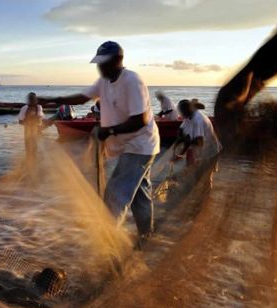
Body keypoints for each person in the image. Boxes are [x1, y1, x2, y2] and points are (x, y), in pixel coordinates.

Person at [38, 41, 160, 242]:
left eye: (104, 62)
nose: (100, 67)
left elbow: (141, 120)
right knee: (140, 194)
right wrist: (54, 99)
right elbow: (82, 98)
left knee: (116, 193)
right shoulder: (104, 81)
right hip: (128, 145)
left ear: (118, 60)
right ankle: (147, 236)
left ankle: (107, 247)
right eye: (98, 63)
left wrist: (109, 130)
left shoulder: (132, 81)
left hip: (140, 145)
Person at [173, 99, 222, 166]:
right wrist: (178, 152)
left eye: (181, 112)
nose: (180, 114)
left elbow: (200, 142)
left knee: (205, 174)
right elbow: (181, 133)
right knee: (192, 169)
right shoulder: (188, 116)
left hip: (211, 151)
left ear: (186, 111)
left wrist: (181, 153)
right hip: (201, 150)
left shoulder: (198, 120)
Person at [18, 92, 44, 157]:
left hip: (35, 129)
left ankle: (32, 160)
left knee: (34, 146)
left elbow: (39, 119)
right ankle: (29, 160)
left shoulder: (39, 107)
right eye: (31, 99)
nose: (32, 100)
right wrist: (27, 123)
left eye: (33, 99)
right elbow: (20, 121)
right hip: (27, 129)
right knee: (28, 147)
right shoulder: (24, 108)